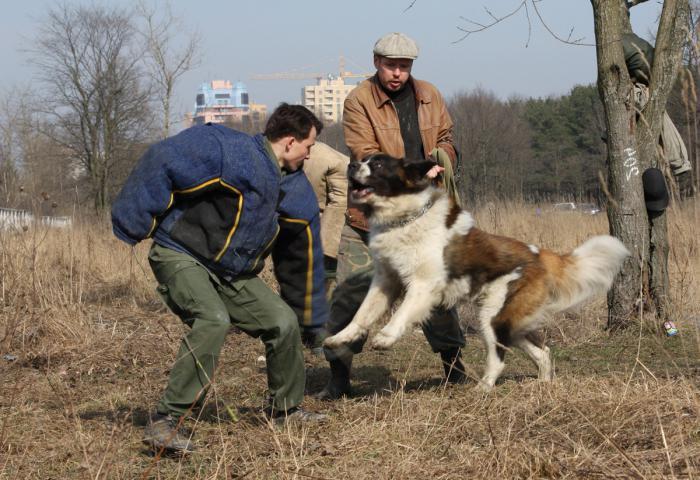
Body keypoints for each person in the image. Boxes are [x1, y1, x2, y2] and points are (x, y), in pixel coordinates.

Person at [112, 104, 328, 455]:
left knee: (282, 322)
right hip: (180, 253)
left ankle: (285, 410)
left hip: (232, 273)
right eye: (309, 146)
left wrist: (313, 320)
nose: (309, 154)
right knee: (213, 319)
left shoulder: (297, 192)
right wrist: (134, 221)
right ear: (290, 142)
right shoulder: (231, 152)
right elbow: (164, 157)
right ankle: (168, 421)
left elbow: (301, 258)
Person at [317, 32, 467, 400]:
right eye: (391, 65)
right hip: (368, 216)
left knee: (434, 291)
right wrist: (414, 173)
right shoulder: (358, 101)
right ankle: (339, 377)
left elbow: (447, 137)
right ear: (376, 62)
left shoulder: (430, 94)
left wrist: (442, 158)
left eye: (404, 66)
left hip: (425, 216)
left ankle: (454, 367)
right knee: (350, 293)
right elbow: (365, 154)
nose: (398, 73)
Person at [622, 31, 693, 195]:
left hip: (645, 83)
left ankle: (679, 162)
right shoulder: (632, 39)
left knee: (660, 119)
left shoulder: (617, 45)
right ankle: (679, 162)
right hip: (648, 79)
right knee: (660, 119)